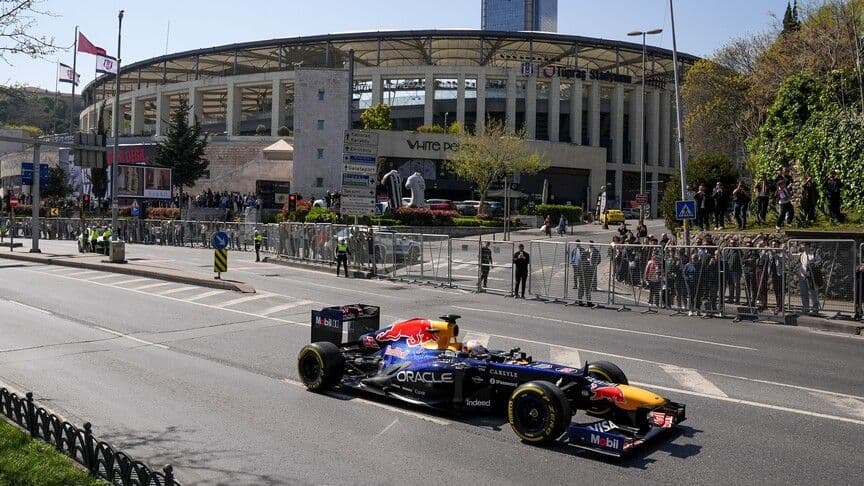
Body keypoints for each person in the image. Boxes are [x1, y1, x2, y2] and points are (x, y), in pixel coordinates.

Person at [797, 242, 821, 315]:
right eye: (803, 246)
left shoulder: (813, 254)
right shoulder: (802, 254)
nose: (804, 248)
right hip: (803, 276)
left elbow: (819, 261)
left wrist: (813, 263)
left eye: (805, 246)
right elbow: (801, 264)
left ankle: (815, 309)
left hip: (811, 276)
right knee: (804, 293)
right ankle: (806, 308)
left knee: (813, 293)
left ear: (808, 247)